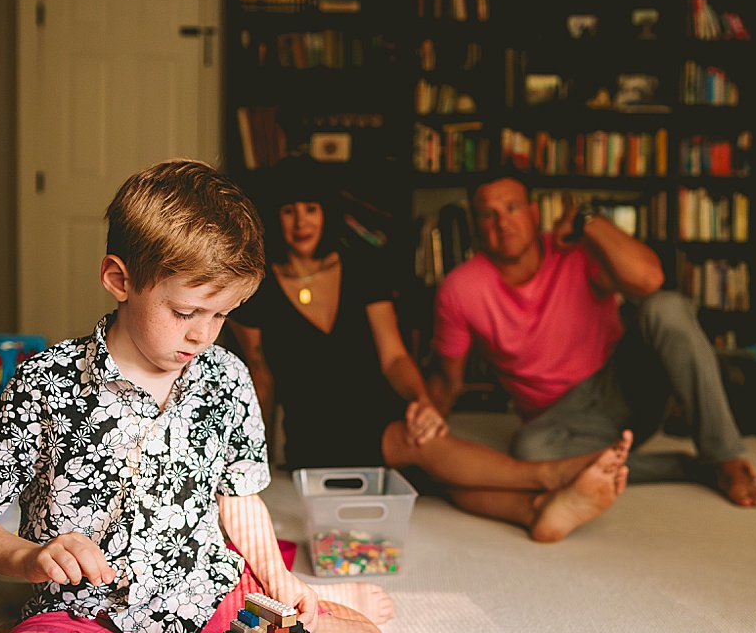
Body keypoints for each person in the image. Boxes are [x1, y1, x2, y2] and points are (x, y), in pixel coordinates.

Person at [0, 159, 392, 633]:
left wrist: (279, 581)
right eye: (185, 313)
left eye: (223, 314)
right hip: (87, 610)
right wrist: (26, 556)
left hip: (203, 596)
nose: (204, 334)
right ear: (119, 279)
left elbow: (239, 498)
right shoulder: (44, 383)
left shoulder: (226, 377)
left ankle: (258, 631)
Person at [227, 160, 632, 544]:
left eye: (311, 209)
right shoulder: (256, 288)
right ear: (273, 217)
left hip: (378, 405)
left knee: (437, 467)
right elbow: (260, 376)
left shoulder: (362, 267)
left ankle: (536, 511)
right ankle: (549, 476)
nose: (301, 222)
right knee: (421, 447)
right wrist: (250, 458)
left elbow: (394, 357)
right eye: (289, 211)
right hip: (319, 429)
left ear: (326, 213)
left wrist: (422, 402)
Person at [429, 167, 756, 508]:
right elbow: (448, 379)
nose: (503, 224)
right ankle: (691, 469)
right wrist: (428, 441)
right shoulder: (460, 290)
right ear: (475, 225)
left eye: (513, 208)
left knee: (666, 307)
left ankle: (726, 458)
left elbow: (650, 279)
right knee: (530, 455)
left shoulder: (576, 251)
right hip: (564, 423)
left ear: (534, 214)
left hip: (626, 386)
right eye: (488, 214)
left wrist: (586, 219)